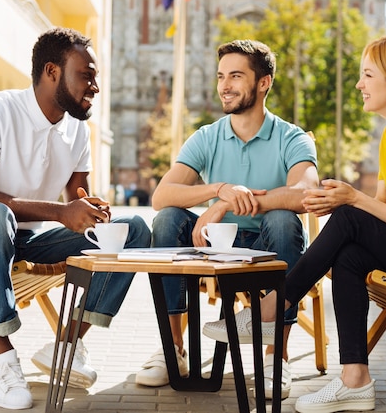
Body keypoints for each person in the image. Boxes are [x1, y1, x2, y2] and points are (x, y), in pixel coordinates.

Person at [202, 33, 386, 412]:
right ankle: (355, 380)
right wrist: (343, 203)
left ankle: (270, 308)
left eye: (368, 75)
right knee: (350, 252)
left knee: (352, 214)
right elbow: (381, 209)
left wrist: (352, 200)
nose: (359, 84)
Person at [0, 27, 151, 410]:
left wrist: (92, 212)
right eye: (87, 75)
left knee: (133, 230)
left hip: (29, 241)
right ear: (52, 72)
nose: (94, 86)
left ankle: (67, 345)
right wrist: (61, 213)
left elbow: (76, 200)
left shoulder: (77, 131)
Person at [135, 39, 320, 400]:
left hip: (266, 249)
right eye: (221, 76)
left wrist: (237, 201)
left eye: (236, 76)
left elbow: (304, 195)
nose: (225, 85)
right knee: (169, 219)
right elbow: (162, 196)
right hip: (214, 246)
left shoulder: (291, 138)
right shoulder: (208, 136)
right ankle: (174, 348)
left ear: (263, 82)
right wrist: (218, 191)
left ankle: (275, 359)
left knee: (284, 220)